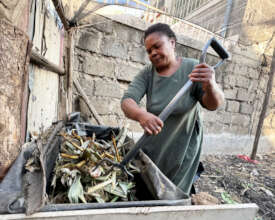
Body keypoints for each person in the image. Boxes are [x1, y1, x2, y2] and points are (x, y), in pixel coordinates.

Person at [121, 23, 224, 195]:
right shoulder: (148, 73)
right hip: (153, 145)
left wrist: (210, 85)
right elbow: (127, 101)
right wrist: (141, 115)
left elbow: (213, 104)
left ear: (172, 43)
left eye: (157, 46)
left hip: (181, 149)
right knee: (148, 187)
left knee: (171, 194)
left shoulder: (193, 69)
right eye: (148, 51)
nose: (153, 53)